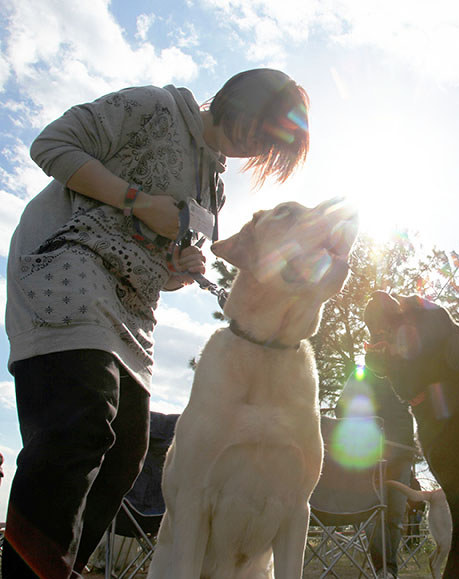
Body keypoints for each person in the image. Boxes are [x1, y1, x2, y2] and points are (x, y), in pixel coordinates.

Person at [3, 68, 310, 579]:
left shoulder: (213, 190)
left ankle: (52, 569)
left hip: (132, 314)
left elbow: (161, 262)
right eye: (262, 125)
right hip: (68, 271)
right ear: (239, 95)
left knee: (126, 453)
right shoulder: (154, 107)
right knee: (80, 424)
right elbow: (51, 144)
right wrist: (137, 200)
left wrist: (180, 271)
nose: (255, 142)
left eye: (268, 144)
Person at [335, 367, 416, 579]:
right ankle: (385, 570)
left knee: (396, 517)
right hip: (370, 455)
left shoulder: (402, 372)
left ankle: (389, 571)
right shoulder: (360, 374)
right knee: (372, 514)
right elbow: (341, 410)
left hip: (403, 454)